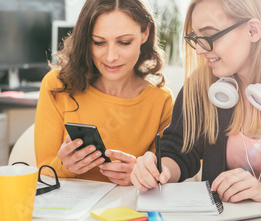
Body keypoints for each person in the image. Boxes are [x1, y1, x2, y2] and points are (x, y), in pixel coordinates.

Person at [131, 0, 261, 206]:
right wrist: (159, 169)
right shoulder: (203, 85)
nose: (199, 50)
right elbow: (179, 150)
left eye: (209, 35)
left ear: (253, 30)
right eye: (196, 37)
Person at [34, 0, 174, 186]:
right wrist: (65, 166)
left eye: (124, 42)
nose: (110, 57)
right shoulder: (56, 85)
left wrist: (140, 175)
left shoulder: (161, 100)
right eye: (98, 42)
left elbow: (163, 173)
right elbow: (44, 170)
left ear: (145, 33)